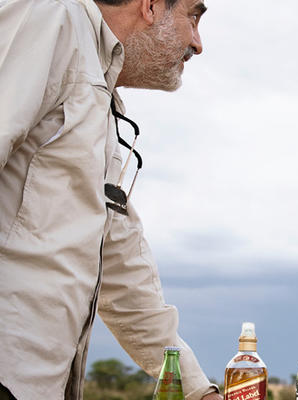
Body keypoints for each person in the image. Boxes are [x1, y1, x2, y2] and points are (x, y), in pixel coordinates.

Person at [0, 0, 222, 399]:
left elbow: (120, 267)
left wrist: (196, 390)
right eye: (193, 16)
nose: (198, 42)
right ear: (151, 6)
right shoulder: (50, 16)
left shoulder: (101, 92)